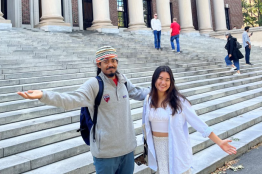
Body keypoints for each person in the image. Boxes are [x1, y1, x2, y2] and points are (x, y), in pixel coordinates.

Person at [17, 46, 150, 174]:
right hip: (105, 154)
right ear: (99, 64)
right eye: (106, 61)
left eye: (113, 60)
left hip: (127, 150)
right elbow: (70, 99)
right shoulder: (94, 85)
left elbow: (139, 92)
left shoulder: (123, 81)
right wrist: (43, 95)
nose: (111, 64)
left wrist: (163, 92)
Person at [142, 65, 237, 174]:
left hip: (175, 145)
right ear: (154, 79)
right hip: (157, 147)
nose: (163, 82)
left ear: (171, 82)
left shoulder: (179, 101)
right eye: (160, 78)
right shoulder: (148, 100)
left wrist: (219, 142)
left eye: (167, 80)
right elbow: (146, 126)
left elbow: (198, 123)